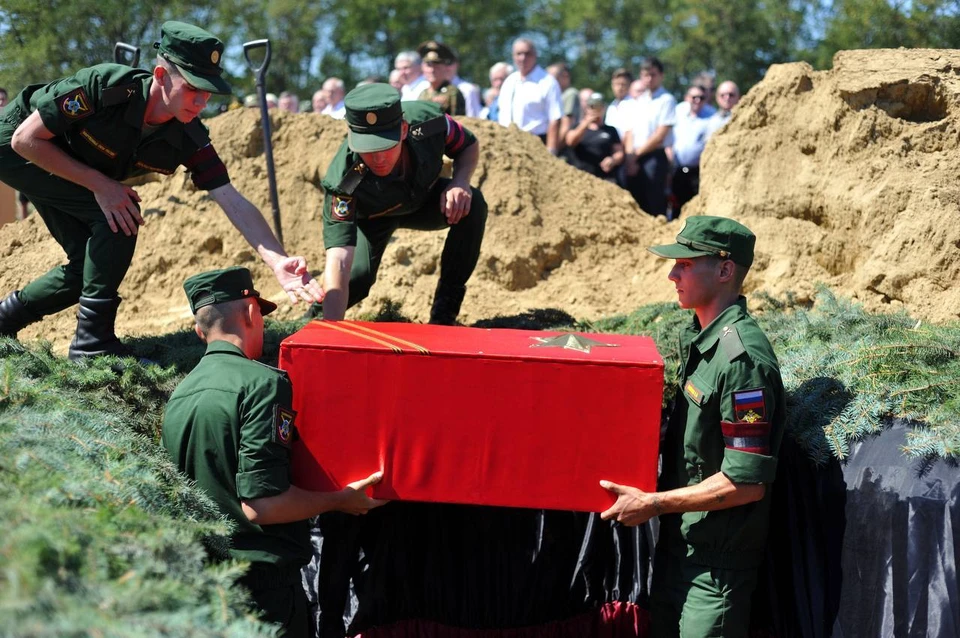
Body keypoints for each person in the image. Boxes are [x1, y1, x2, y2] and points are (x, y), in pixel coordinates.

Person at [0, 21, 322, 359]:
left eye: (208, 91)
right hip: (16, 144)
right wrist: (101, 185)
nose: (201, 101)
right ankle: (92, 344)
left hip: (64, 163)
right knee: (118, 215)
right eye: (192, 87)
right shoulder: (105, 89)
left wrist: (277, 261)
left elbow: (230, 198)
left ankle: (6, 321)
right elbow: (26, 139)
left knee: (91, 265)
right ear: (161, 75)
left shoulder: (187, 135)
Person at [162, 266, 384, 637]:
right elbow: (262, 504)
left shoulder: (178, 397)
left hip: (204, 594)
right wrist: (341, 499)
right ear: (251, 313)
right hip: (264, 598)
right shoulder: (264, 385)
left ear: (200, 331)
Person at [600, 216, 785, 638]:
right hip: (678, 552)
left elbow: (746, 483)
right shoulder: (702, 339)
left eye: (685, 264)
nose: (672, 274)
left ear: (724, 270)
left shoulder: (743, 361)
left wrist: (654, 503)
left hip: (714, 573)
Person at [312, 83, 485, 326]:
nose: (379, 158)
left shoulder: (430, 124)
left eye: (385, 146)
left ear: (404, 130)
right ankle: (312, 322)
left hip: (424, 202)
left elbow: (468, 145)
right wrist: (327, 334)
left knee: (472, 203)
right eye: (368, 150)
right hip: (372, 220)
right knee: (356, 278)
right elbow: (339, 259)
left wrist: (460, 182)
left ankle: (444, 315)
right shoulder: (347, 179)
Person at [623, 57, 676, 216]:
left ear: (661, 75)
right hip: (635, 157)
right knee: (636, 206)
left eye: (653, 74)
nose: (649, 79)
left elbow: (659, 136)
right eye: (645, 75)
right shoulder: (639, 100)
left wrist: (635, 155)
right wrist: (629, 157)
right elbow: (630, 131)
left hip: (654, 157)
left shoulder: (667, 100)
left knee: (654, 205)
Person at [497, 38, 563, 155]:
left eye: (527, 54)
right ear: (513, 56)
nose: (523, 58)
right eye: (519, 54)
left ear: (535, 55)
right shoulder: (509, 81)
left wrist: (551, 152)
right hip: (509, 143)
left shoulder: (548, 82)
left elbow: (555, 119)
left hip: (536, 144)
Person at [669, 85, 712, 219]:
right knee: (676, 207)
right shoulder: (677, 112)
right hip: (677, 170)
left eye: (701, 98)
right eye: (694, 97)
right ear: (687, 98)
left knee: (695, 209)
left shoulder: (711, 116)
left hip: (697, 173)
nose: (697, 101)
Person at [564, 92, 623, 183]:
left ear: (604, 108)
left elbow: (619, 153)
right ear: (587, 108)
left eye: (599, 107)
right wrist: (585, 123)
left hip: (603, 178)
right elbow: (570, 142)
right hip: (579, 176)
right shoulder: (577, 126)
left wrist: (612, 160)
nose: (595, 110)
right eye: (592, 106)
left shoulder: (610, 130)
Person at [416, 41, 466, 116]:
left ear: (445, 68)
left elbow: (458, 122)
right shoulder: (423, 94)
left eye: (437, 66)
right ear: (422, 68)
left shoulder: (452, 92)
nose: (432, 70)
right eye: (428, 65)